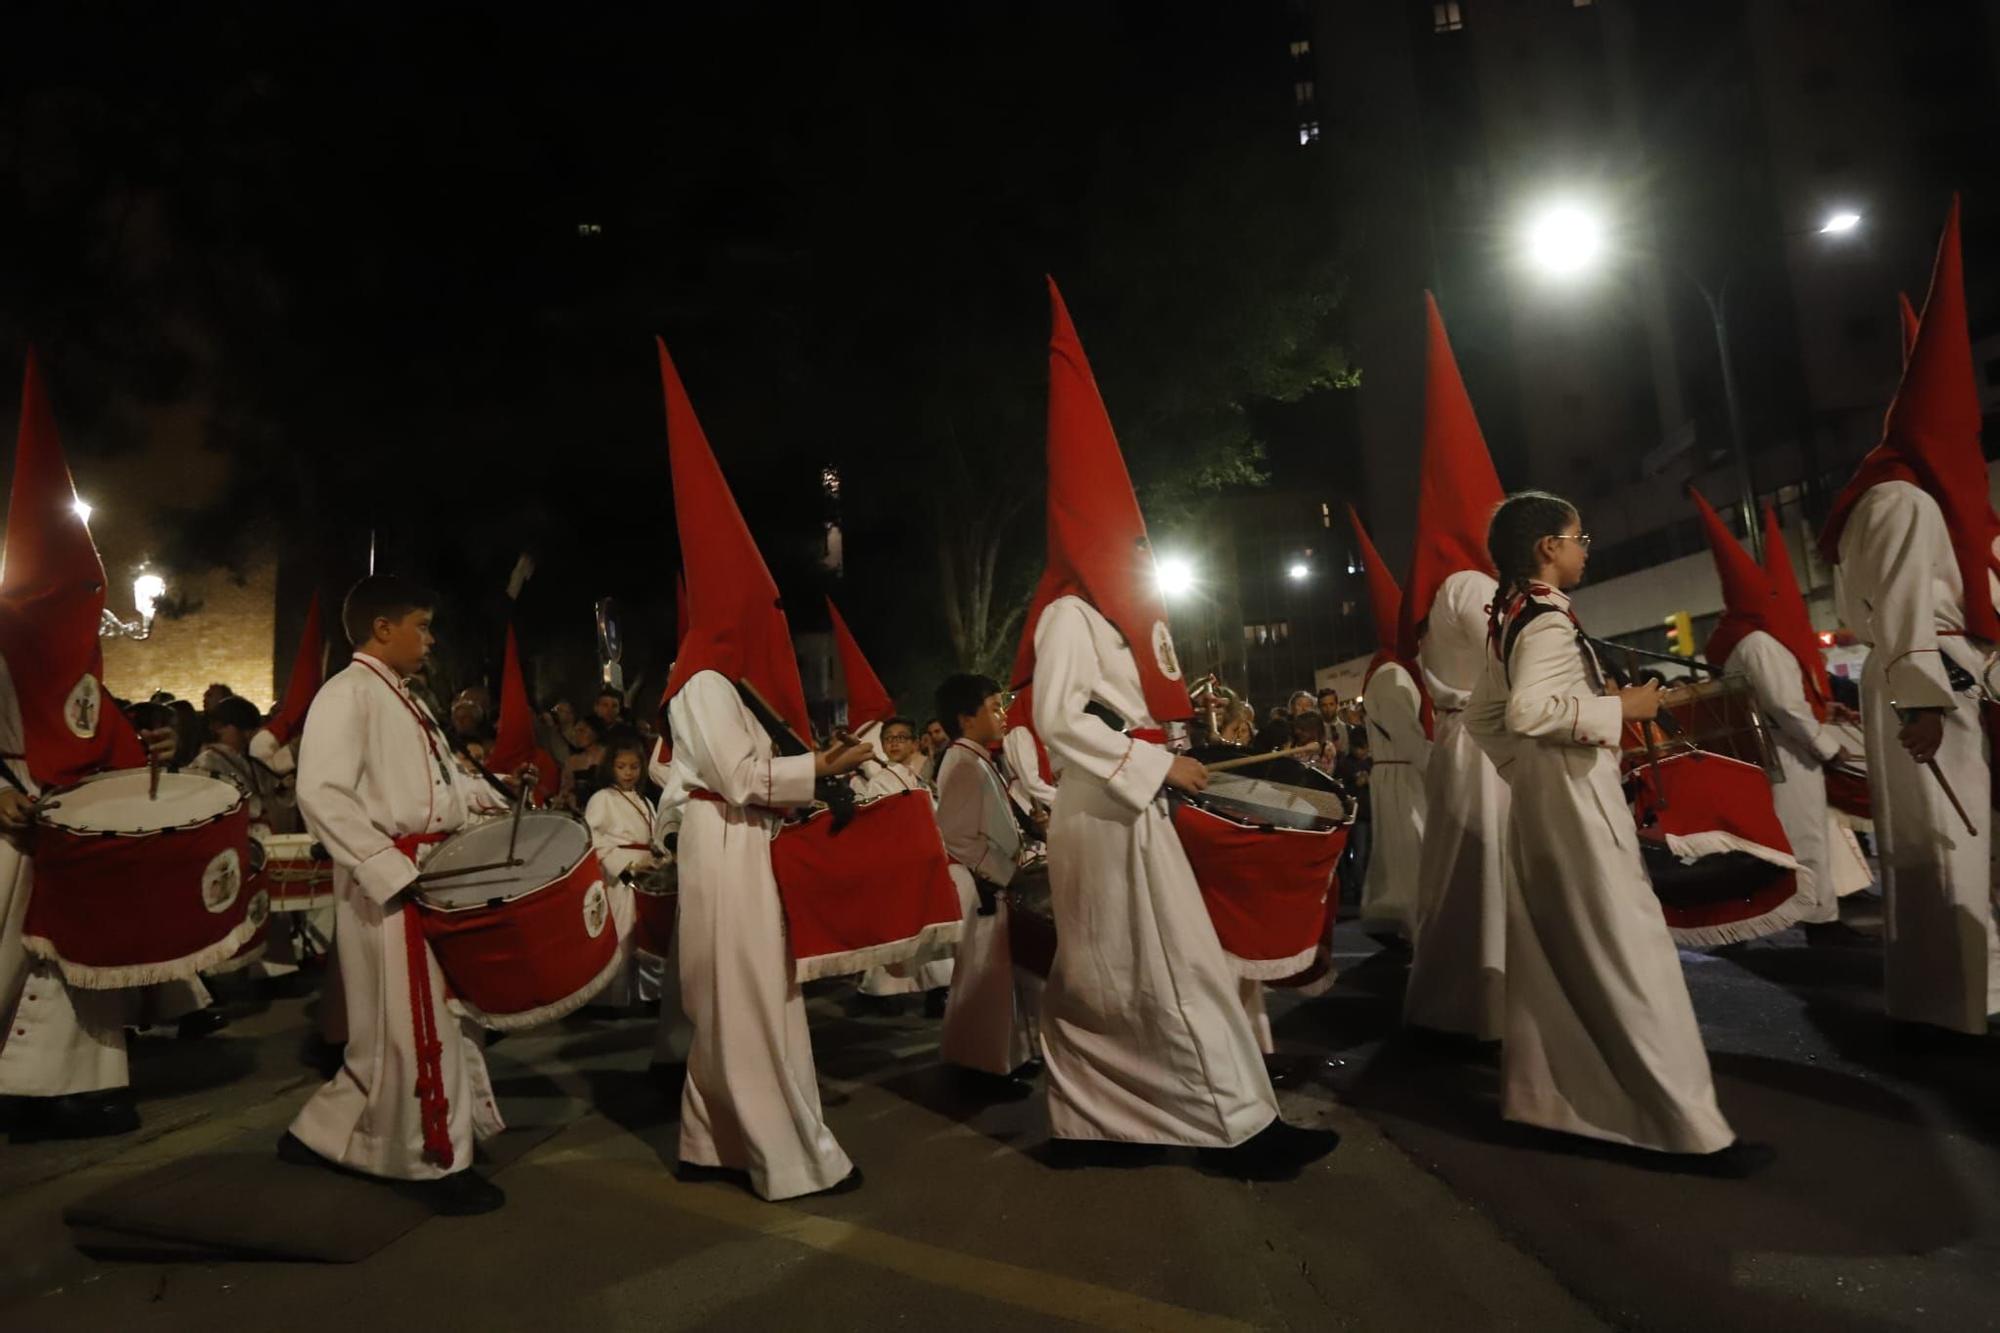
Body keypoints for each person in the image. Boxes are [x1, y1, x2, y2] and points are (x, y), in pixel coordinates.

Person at [1019, 279, 1332, 1179]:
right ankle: (1235, 1127)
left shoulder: (1108, 615)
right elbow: (1056, 716)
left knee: (1127, 977)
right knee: (1160, 970)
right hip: (1110, 811)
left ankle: (1097, 1118)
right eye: (1135, 539)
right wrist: (1154, 769)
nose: (1145, 551)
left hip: (1123, 809)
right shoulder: (1073, 615)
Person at [1467, 491, 1770, 1177]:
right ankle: (1689, 1129)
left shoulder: (1508, 615)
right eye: (1579, 536)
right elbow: (1527, 709)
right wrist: (1620, 708)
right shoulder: (1542, 616)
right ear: (1547, 546)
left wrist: (1532, 775)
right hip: (1575, 805)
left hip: (1546, 805)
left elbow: (1483, 719)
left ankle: (1553, 1105)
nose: (1585, 548)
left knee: (1558, 959)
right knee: (1631, 959)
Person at [657, 340, 870, 1200]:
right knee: (748, 999)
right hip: (728, 840)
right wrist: (820, 766)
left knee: (743, 996)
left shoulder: (720, 681)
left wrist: (817, 765)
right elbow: (744, 778)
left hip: (737, 844)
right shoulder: (706, 680)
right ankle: (780, 1155)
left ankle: (712, 1141)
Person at [277, 574, 518, 1214]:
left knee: (414, 1025)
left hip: (425, 874)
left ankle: (326, 1132)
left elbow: (442, 786)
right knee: (413, 1026)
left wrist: (499, 804)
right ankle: (428, 1159)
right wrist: (388, 868)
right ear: (383, 629)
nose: (431, 639)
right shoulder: (347, 693)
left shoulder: (406, 699)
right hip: (391, 882)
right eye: (422, 625)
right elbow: (322, 793)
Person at [1820, 198, 2000, 1037]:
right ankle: (1952, 1007)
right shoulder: (1902, 500)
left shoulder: (1900, 493)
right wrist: (1923, 701)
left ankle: (1959, 998)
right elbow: (1900, 614)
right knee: (1943, 851)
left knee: (1948, 852)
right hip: (1928, 692)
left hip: (1929, 685)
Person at [1402, 293, 1511, 1042]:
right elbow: (1516, 654)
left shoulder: (1448, 586)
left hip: (1465, 741)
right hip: (1484, 746)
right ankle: (1476, 1012)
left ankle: (1459, 1008)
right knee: (1484, 881)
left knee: (1466, 881)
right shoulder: (1472, 586)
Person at [1690, 492, 1869, 944]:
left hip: (1778, 751)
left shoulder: (1747, 641)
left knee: (1789, 841)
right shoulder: (1760, 645)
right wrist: (1827, 745)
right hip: (1788, 756)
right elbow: (1785, 705)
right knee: (1804, 839)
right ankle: (1818, 925)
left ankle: (1804, 919)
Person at [932, 673, 1041, 1082]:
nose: (1003, 714)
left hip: (992, 880)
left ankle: (1007, 1056)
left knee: (999, 976)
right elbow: (956, 834)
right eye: (993, 707)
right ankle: (980, 1065)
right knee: (983, 977)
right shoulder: (961, 762)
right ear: (966, 718)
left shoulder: (974, 756)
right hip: (982, 884)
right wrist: (1003, 873)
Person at [1348, 506, 1429, 944]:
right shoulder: (1395, 675)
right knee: (1413, 852)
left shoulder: (1385, 670)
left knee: (1398, 854)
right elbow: (1409, 735)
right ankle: (1418, 928)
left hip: (1392, 773)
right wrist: (1439, 769)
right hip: (1403, 773)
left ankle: (1397, 919)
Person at [585, 738, 663, 1007]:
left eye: (634, 767)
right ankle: (613, 999)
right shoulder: (603, 798)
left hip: (645, 874)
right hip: (621, 875)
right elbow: (593, 838)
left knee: (643, 934)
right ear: (611, 767)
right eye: (621, 766)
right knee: (620, 933)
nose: (628, 773)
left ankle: (644, 995)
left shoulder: (645, 801)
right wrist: (625, 866)